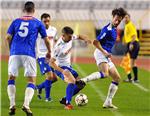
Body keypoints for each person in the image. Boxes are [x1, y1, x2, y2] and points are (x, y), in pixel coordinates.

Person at [6, 1, 51, 116]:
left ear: (24, 10)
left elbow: (7, 37)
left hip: (15, 53)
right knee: (31, 81)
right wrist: (49, 51)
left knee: (11, 78)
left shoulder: (16, 21)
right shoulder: (37, 23)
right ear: (34, 10)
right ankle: (26, 105)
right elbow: (46, 39)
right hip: (29, 54)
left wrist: (12, 49)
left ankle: (12, 105)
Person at [81, 8, 127, 109]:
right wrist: (104, 52)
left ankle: (108, 102)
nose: (117, 21)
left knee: (117, 78)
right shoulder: (108, 29)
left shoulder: (114, 29)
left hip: (106, 55)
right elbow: (95, 42)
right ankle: (84, 80)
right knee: (105, 74)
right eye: (116, 19)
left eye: (119, 20)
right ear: (113, 17)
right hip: (100, 53)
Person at [50, 26, 91, 110]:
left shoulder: (70, 37)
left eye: (71, 36)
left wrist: (86, 39)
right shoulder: (58, 47)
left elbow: (79, 36)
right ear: (63, 35)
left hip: (68, 66)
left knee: (81, 84)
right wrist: (62, 71)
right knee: (72, 81)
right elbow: (51, 63)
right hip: (60, 67)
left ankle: (65, 98)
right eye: (69, 36)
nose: (71, 38)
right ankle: (67, 104)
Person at [36, 13, 58, 102]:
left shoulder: (54, 30)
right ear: (41, 21)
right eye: (45, 21)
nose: (47, 23)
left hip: (51, 56)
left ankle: (39, 87)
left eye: (48, 21)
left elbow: (55, 41)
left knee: (55, 78)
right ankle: (47, 98)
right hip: (41, 55)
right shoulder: (37, 31)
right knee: (49, 76)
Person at [123, 13, 140, 83]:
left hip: (134, 43)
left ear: (129, 18)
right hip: (130, 43)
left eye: (127, 17)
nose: (125, 19)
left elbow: (134, 35)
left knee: (130, 61)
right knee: (129, 61)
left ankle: (134, 78)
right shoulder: (127, 25)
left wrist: (131, 44)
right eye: (124, 18)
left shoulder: (130, 25)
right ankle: (132, 78)